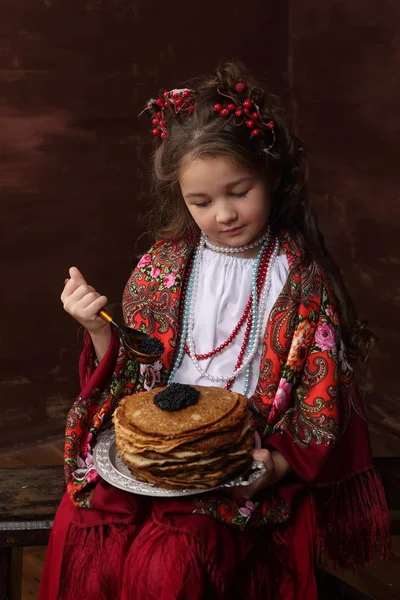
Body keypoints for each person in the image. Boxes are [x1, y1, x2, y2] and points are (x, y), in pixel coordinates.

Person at [39, 61, 390, 600]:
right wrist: (99, 330)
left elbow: (321, 399)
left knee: (169, 563)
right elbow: (137, 373)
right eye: (200, 202)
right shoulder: (163, 264)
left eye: (239, 191)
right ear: (180, 197)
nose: (223, 213)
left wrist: (273, 465)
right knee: (89, 529)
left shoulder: (297, 281)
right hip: (154, 445)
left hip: (239, 455)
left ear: (270, 175)